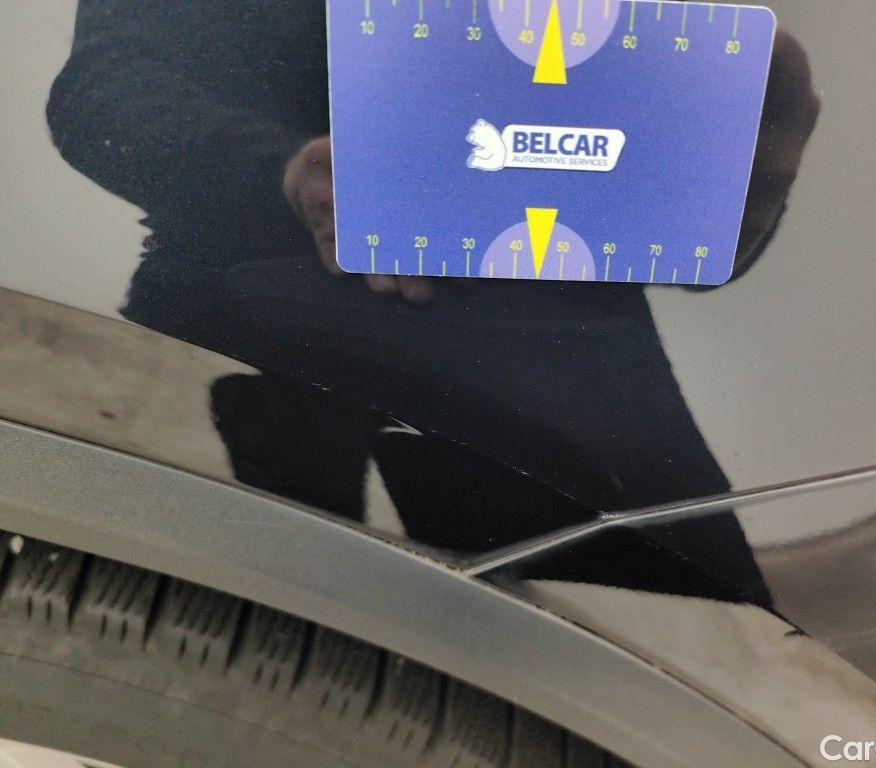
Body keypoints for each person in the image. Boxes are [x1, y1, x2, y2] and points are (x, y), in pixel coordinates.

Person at [47, 0, 818, 605]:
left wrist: (739, 182)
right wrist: (282, 174)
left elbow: (656, 196)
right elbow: (103, 92)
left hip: (572, 392)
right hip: (266, 349)